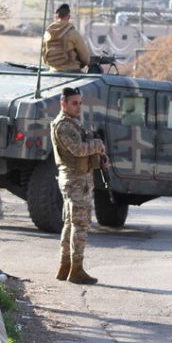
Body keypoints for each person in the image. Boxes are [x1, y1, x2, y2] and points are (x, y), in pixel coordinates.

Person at [52, 87, 108, 284]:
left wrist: (99, 157)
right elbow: (77, 150)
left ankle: (65, 267)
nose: (78, 106)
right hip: (75, 180)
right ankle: (76, 269)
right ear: (63, 104)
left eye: (80, 103)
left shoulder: (72, 123)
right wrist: (98, 145)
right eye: (74, 103)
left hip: (78, 178)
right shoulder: (64, 126)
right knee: (81, 224)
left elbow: (83, 148)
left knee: (71, 223)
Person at [44, 3, 90, 73]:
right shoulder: (73, 33)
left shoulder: (47, 33)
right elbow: (85, 58)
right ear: (68, 17)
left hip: (53, 71)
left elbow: (44, 56)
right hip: (72, 71)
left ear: (56, 17)